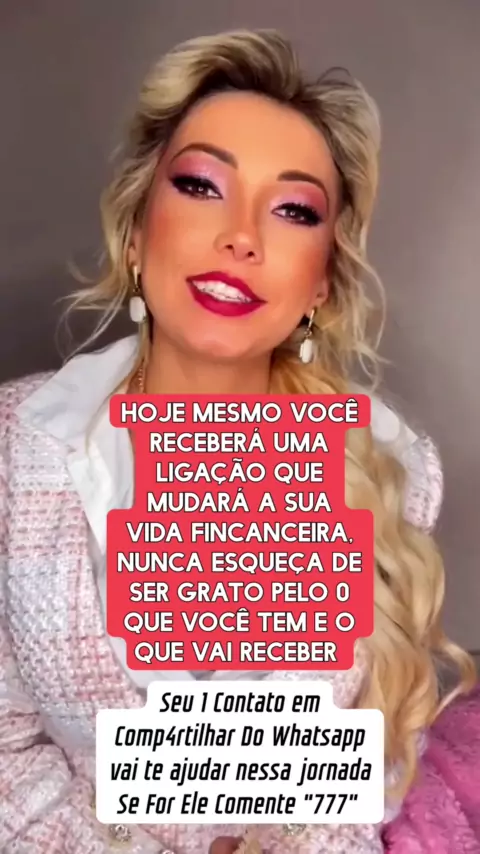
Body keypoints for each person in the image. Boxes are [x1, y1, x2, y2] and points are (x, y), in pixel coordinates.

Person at [0, 27, 477, 854]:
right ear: (137, 230)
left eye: (294, 210)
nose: (244, 236)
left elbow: (359, 775)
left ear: (320, 280)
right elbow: (6, 767)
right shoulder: (15, 451)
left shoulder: (392, 467)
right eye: (201, 185)